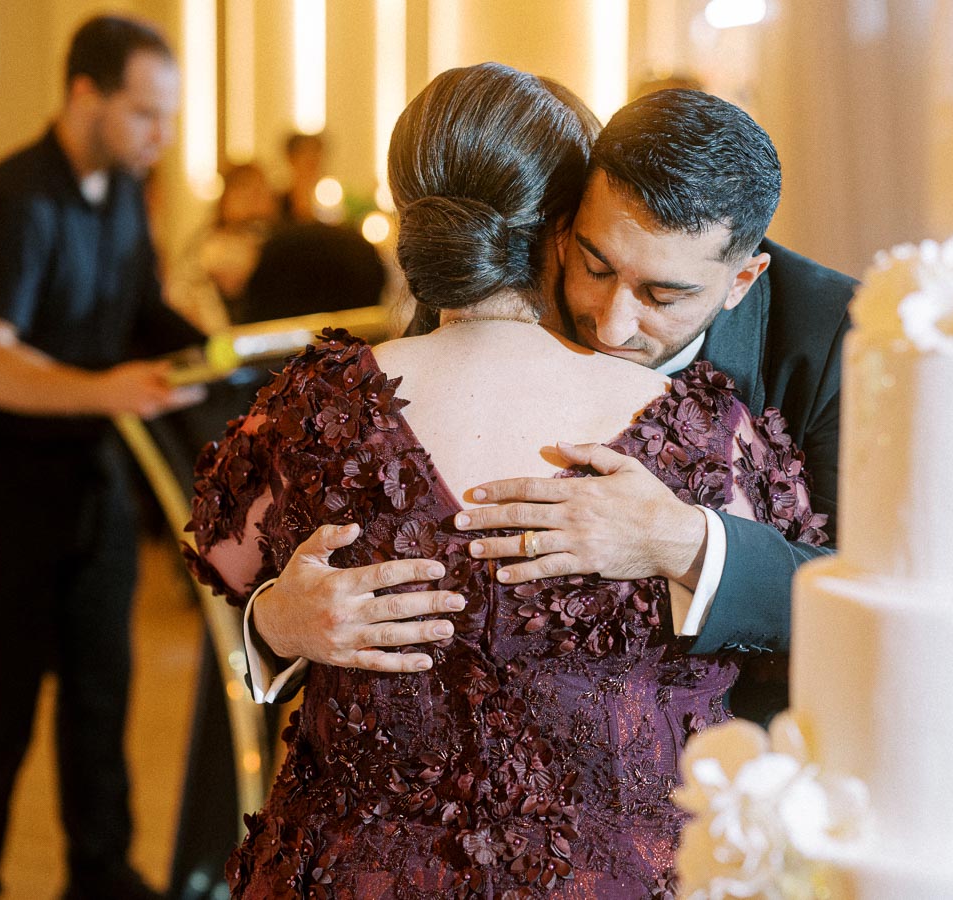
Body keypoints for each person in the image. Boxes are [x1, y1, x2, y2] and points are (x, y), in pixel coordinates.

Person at [186, 62, 823, 897]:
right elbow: (811, 605)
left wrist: (270, 617)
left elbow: (226, 563)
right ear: (567, 226)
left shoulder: (317, 407)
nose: (618, 316)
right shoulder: (704, 432)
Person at [248, 87, 854, 724]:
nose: (613, 327)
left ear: (742, 281)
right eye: (595, 267)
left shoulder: (833, 336)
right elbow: (259, 571)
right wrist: (275, 624)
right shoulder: (508, 283)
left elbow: (868, 595)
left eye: (663, 296)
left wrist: (685, 543)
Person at [0, 16, 205, 900]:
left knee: (100, 696)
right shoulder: (12, 202)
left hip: (92, 487)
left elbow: (138, 311)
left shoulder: (125, 193)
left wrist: (220, 355)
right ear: (83, 94)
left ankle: (100, 873)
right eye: (144, 114)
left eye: (166, 117)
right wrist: (108, 389)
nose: (160, 137)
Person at [167, 161, 278, 333]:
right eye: (243, 191)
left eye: (259, 192)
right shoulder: (211, 242)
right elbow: (231, 280)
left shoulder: (273, 237)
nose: (252, 200)